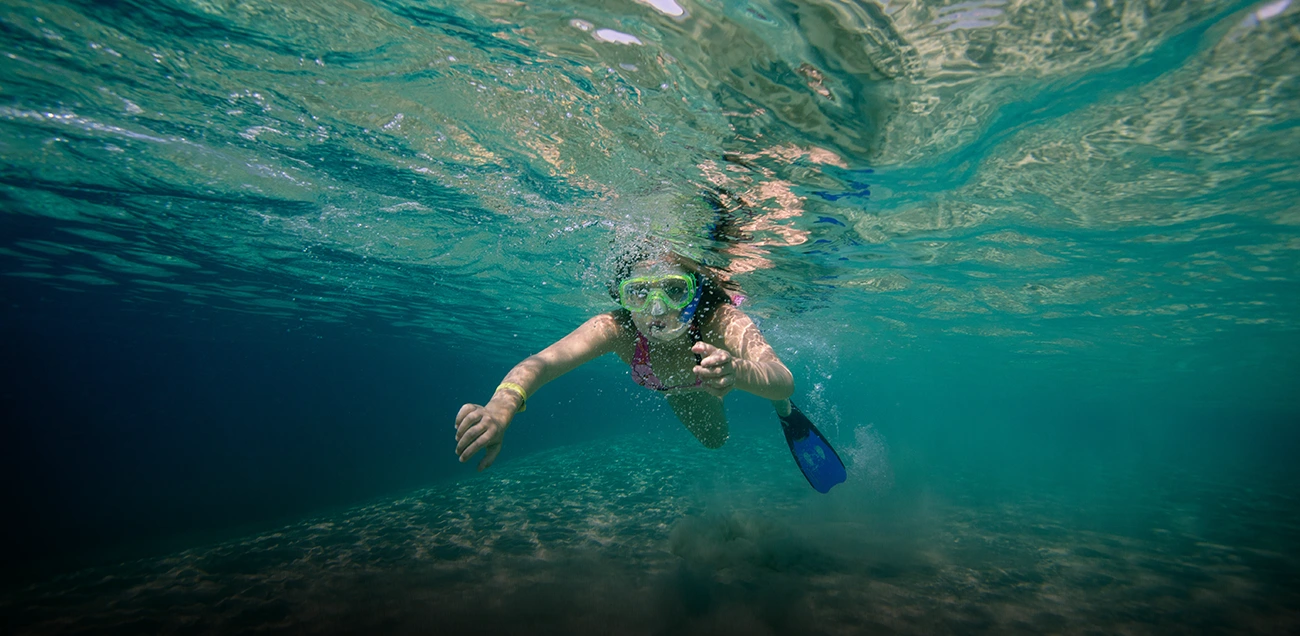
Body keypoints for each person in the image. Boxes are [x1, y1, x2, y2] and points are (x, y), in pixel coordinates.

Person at [453, 242, 846, 493]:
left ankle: (784, 417)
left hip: (724, 378)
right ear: (625, 297)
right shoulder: (616, 328)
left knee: (778, 398)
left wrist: (739, 373)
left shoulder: (719, 321)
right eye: (639, 292)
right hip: (678, 390)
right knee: (715, 441)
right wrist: (500, 408)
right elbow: (542, 363)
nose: (657, 309)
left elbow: (782, 379)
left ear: (695, 294)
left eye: (675, 290)